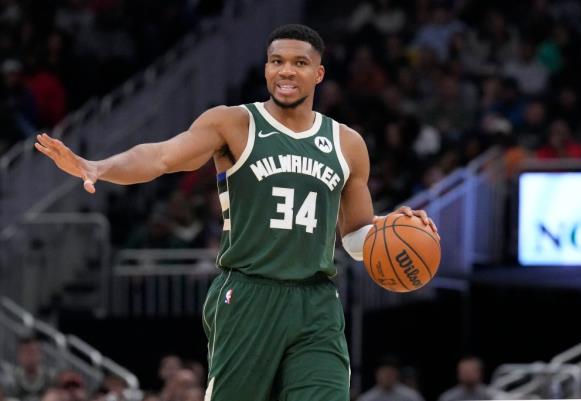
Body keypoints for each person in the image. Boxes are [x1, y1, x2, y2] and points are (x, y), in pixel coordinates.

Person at [35, 24, 439, 401]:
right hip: (247, 293)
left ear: (318, 73)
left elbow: (354, 240)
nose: (286, 71)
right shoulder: (233, 123)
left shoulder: (347, 144)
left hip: (316, 301)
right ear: (266, 68)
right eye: (277, 61)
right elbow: (160, 157)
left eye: (299, 63)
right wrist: (99, 167)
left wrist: (393, 228)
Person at [357, 357, 425, 401]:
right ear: (377, 374)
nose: (387, 377)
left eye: (390, 374)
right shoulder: (367, 398)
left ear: (397, 375)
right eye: (384, 373)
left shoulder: (411, 396)